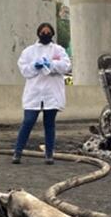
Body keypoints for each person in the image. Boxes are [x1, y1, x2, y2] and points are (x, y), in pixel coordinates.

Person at [13, 22, 71, 165]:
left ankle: (49, 154)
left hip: (51, 94)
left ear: (52, 34)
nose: (45, 34)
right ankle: (17, 152)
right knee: (28, 121)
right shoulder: (29, 51)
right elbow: (24, 69)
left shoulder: (58, 50)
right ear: (38, 33)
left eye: (48, 32)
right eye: (43, 32)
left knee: (49, 124)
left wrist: (51, 64)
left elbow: (66, 66)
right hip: (34, 93)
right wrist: (35, 66)